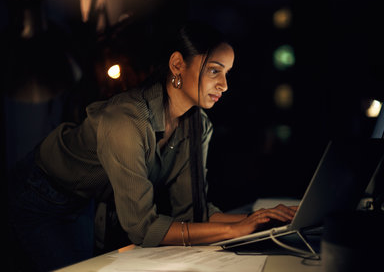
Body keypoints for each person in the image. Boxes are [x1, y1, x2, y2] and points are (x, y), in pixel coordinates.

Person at [8, 20, 297, 271]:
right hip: (41, 195)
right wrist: (234, 228)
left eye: (227, 73)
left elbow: (190, 212)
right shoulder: (127, 120)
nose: (224, 84)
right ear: (177, 65)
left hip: (86, 200)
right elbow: (142, 227)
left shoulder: (197, 126)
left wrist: (260, 221)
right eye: (214, 71)